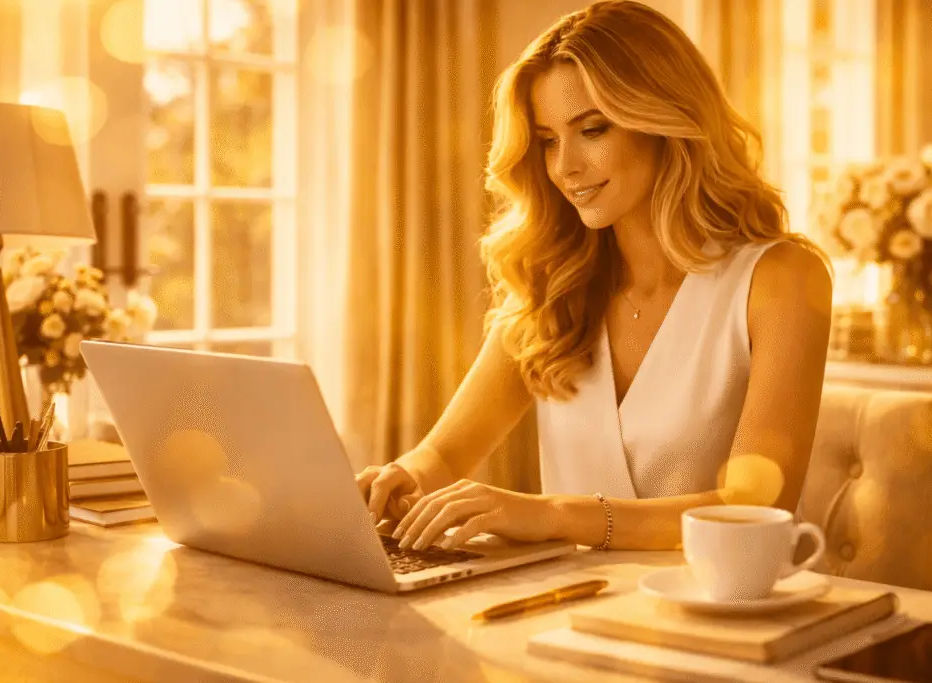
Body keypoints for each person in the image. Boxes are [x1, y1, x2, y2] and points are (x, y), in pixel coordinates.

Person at [355, 0, 832, 554]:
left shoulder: (781, 278)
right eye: (548, 140)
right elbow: (441, 456)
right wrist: (401, 479)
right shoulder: (552, 282)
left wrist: (555, 514)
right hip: (572, 600)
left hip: (733, 602)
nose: (565, 167)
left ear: (664, 121)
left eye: (592, 129)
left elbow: (755, 507)